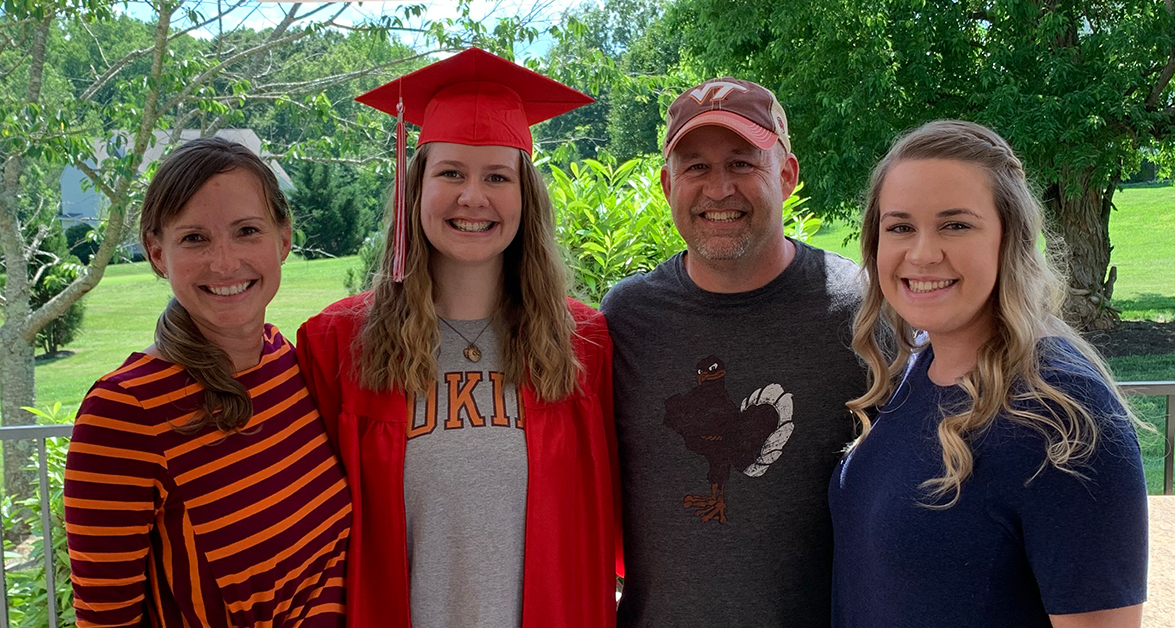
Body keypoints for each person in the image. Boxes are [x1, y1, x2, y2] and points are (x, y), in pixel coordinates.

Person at [294, 47, 619, 628]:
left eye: (497, 176)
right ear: (414, 188)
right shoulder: (340, 344)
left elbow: (608, 516)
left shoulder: (582, 344)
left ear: (526, 198)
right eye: (451, 173)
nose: (474, 197)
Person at [829, 120, 1149, 627]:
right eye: (900, 227)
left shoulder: (1062, 413)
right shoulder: (916, 371)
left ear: (1010, 239)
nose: (923, 253)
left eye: (956, 225)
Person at [600, 77, 865, 627]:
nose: (718, 189)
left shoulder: (860, 310)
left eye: (743, 163)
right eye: (695, 166)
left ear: (787, 175)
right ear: (667, 185)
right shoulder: (625, 320)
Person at [65, 137, 352, 627]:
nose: (224, 262)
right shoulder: (124, 412)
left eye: (247, 231)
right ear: (158, 252)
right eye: (194, 238)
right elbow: (105, 618)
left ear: (283, 239)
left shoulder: (291, 366)